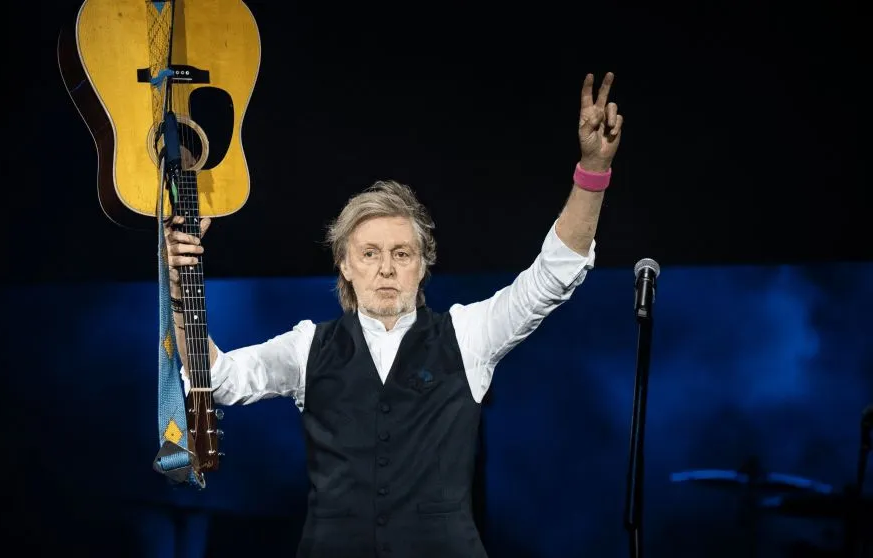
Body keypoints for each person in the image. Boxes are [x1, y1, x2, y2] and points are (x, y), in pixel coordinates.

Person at [164, 72, 624, 557]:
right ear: (345, 264)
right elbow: (218, 378)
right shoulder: (307, 347)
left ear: (422, 265)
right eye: (370, 254)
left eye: (401, 254)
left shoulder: (468, 335)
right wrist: (180, 288)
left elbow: (553, 275)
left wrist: (593, 171)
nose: (386, 268)